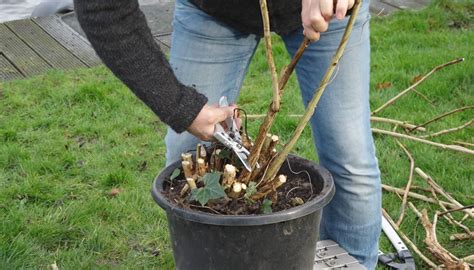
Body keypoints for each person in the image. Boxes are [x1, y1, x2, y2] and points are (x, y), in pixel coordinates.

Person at [74, 0, 381, 268]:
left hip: (329, 11)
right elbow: (103, 7)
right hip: (215, 10)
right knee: (187, 153)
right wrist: (181, 106)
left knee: (350, 156)